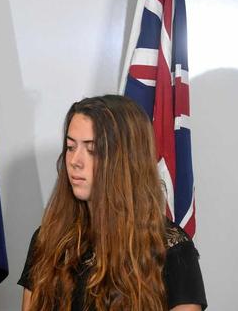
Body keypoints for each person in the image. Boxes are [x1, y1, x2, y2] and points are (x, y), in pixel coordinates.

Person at [18, 95, 207, 311]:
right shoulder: (49, 239)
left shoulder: (173, 250)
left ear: (125, 159)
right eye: (71, 147)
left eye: (92, 149)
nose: (74, 161)